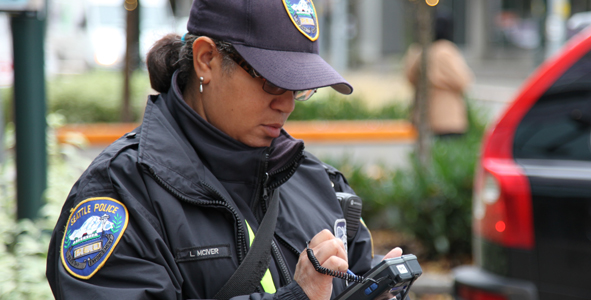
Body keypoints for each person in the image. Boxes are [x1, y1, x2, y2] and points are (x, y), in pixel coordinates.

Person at [45, 0, 402, 299]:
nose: (287, 104)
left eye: (300, 88)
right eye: (274, 82)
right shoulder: (119, 194)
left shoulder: (317, 181)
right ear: (206, 59)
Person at [403, 13, 474, 139]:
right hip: (448, 118)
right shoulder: (446, 51)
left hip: (422, 117)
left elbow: (409, 78)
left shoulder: (417, 50)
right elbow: (464, 81)